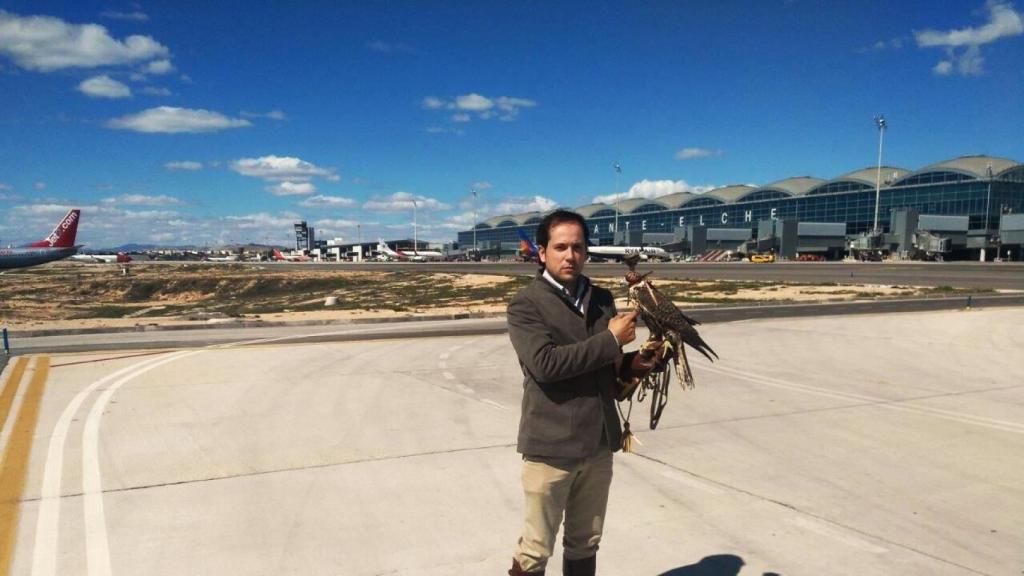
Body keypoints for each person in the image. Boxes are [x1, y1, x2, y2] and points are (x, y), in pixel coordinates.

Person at [506, 209, 661, 576]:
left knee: (585, 542)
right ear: (542, 252)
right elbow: (545, 365)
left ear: (587, 252)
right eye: (560, 247)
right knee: (534, 551)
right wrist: (610, 340)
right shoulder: (525, 305)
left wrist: (635, 364)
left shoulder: (602, 299)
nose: (570, 255)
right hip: (551, 447)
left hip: (597, 445)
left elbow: (604, 372)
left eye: (577, 247)